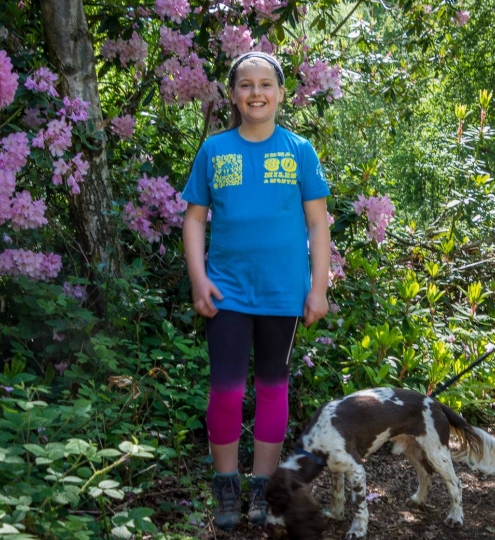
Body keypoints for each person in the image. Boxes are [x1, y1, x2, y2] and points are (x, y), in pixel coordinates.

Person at [182, 51, 331, 529]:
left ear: (281, 94)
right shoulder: (214, 150)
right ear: (232, 94)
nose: (256, 93)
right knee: (225, 391)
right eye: (245, 85)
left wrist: (318, 288)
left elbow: (317, 224)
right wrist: (199, 279)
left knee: (272, 389)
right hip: (226, 292)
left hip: (282, 293)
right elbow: (194, 219)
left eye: (266, 84)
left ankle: (264, 488)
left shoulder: (299, 151)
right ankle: (226, 488)